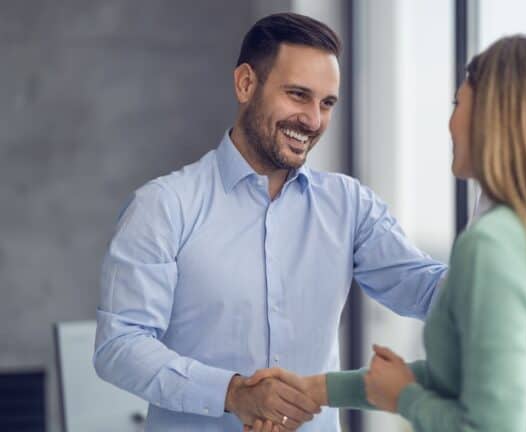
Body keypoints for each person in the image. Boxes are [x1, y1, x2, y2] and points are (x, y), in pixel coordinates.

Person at [93, 12, 447, 432]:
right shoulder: (164, 206)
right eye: (298, 95)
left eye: (326, 103)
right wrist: (232, 394)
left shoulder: (350, 206)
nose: (313, 120)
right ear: (246, 83)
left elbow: (427, 291)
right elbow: (120, 345)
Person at [256, 35, 526, 432]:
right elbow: (468, 377)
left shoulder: (491, 246)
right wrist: (318, 390)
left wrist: (403, 397)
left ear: (491, 117)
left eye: (457, 104)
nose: (450, 124)